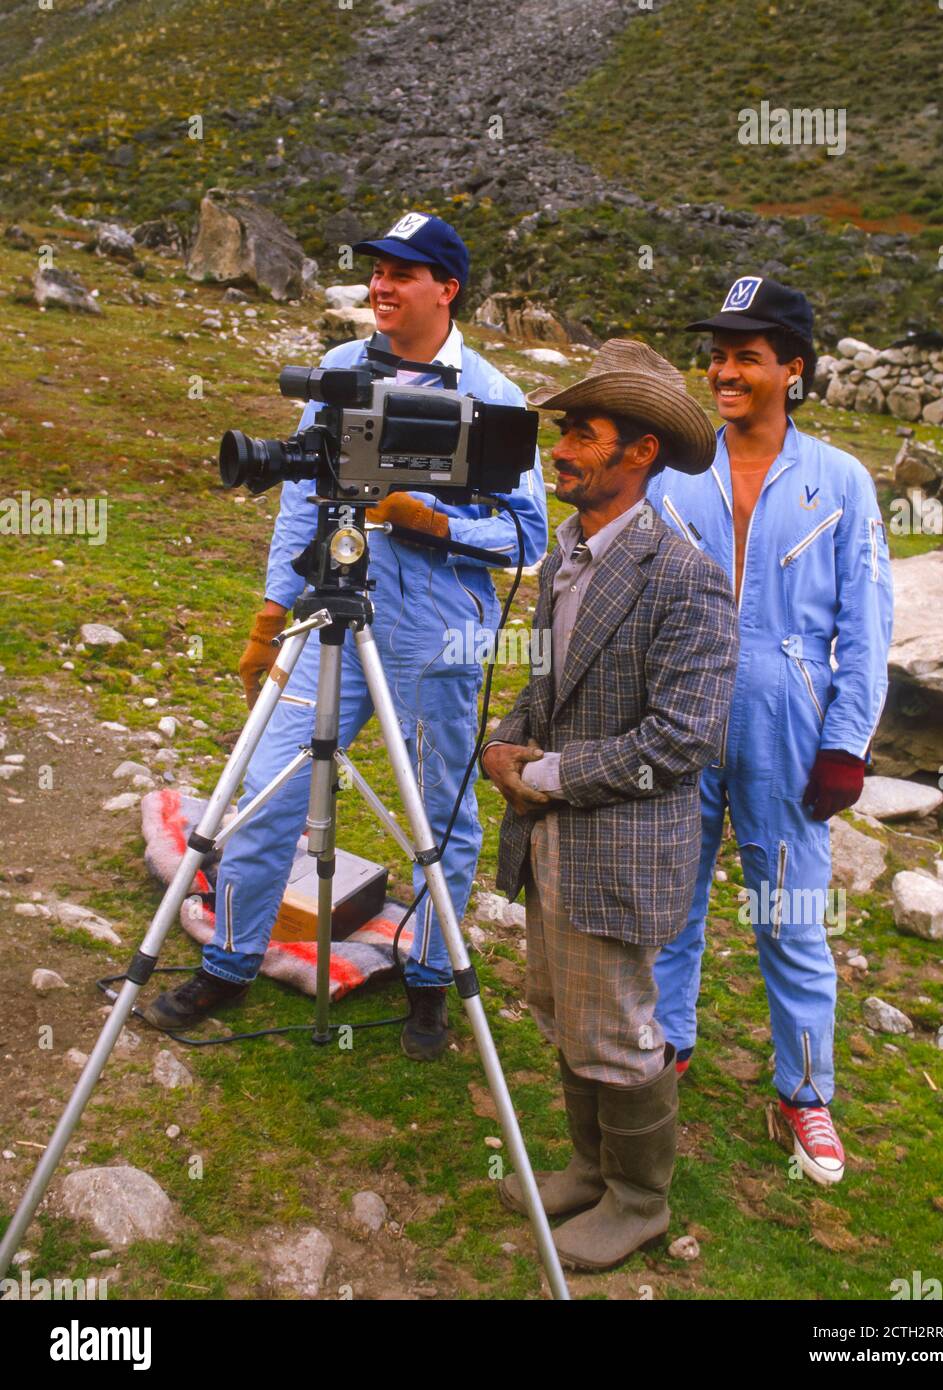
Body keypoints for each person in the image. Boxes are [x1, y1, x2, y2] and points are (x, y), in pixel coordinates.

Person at [146, 213, 547, 1060]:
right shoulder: (336, 369)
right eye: (376, 271)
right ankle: (230, 962)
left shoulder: (494, 394)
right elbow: (303, 498)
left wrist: (427, 518)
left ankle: (433, 983)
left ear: (448, 288)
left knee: (439, 809)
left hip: (439, 632)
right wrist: (268, 617)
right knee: (266, 784)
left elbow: (528, 539)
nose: (382, 286)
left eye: (403, 272)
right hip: (329, 605)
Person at [481, 340, 739, 1270]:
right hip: (552, 844)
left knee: (622, 1032)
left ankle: (640, 1200)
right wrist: (506, 737)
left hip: (618, 848)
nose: (560, 451)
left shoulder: (687, 577)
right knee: (565, 1012)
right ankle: (591, 1171)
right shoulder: (564, 557)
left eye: (582, 434)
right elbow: (546, 682)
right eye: (562, 433)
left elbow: (681, 741)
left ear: (641, 454)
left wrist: (541, 776)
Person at [647, 276, 894, 1184]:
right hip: (679, 707)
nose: (724, 371)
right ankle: (666, 1045)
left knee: (789, 913)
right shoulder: (674, 469)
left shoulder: (841, 480)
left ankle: (804, 1091)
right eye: (717, 355)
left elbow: (867, 622)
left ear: (792, 367)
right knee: (670, 892)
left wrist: (847, 743)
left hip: (788, 721)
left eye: (746, 356)